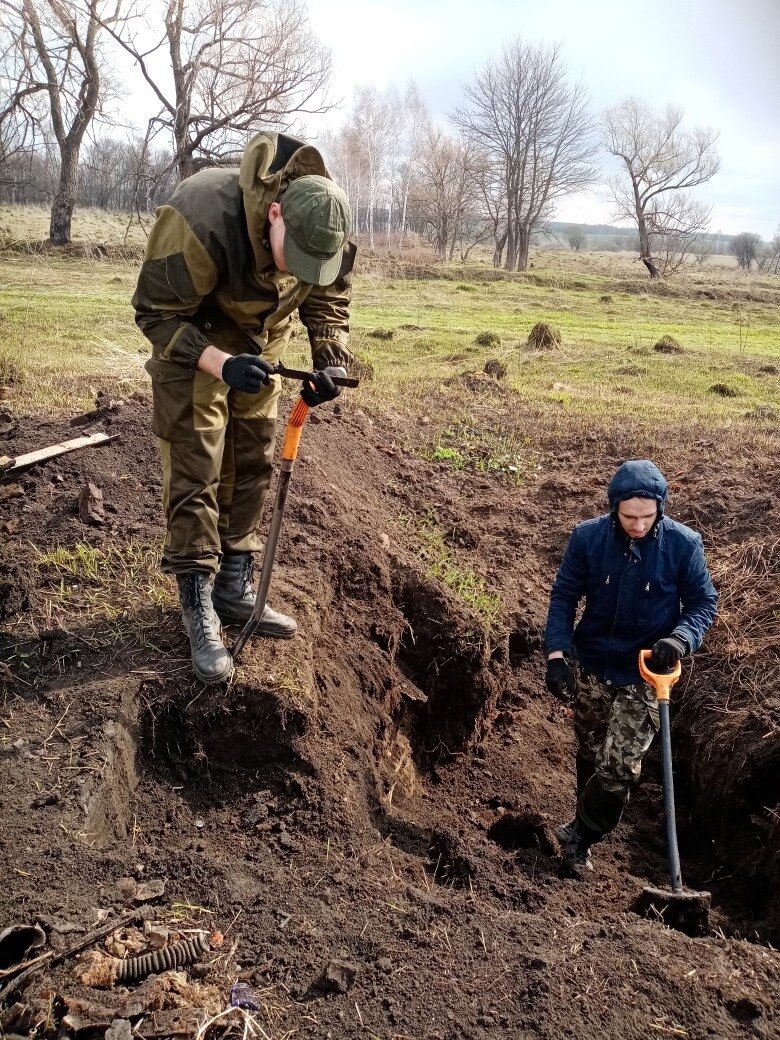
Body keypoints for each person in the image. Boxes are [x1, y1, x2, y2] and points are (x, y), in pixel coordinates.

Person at [132, 131, 355, 684]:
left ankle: (234, 586)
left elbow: (327, 297)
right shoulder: (200, 216)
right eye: (293, 256)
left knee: (253, 460)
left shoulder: (327, 227)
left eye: (314, 262)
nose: (301, 271)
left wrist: (330, 356)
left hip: (263, 344)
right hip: (193, 339)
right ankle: (197, 604)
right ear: (274, 213)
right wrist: (218, 362)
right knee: (198, 463)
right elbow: (155, 315)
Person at [544, 460, 718, 876]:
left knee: (619, 765)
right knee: (591, 753)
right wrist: (556, 656)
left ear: (660, 507)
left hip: (645, 671)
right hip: (591, 663)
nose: (638, 525)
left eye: (647, 516)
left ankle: (583, 839)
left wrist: (679, 640)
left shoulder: (683, 544)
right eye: (628, 517)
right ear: (613, 509)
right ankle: (581, 822)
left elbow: (702, 604)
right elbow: (564, 596)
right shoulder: (587, 539)